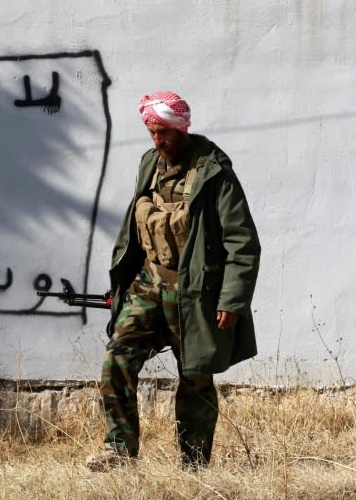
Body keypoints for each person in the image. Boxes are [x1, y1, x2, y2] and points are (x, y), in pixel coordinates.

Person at [86, 91, 261, 471]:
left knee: (196, 379)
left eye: (163, 132)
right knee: (117, 358)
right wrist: (122, 286)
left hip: (194, 294)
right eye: (152, 132)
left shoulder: (214, 173)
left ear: (182, 127)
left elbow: (243, 243)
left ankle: (194, 464)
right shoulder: (149, 164)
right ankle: (119, 453)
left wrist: (231, 301)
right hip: (148, 285)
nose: (158, 141)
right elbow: (136, 231)